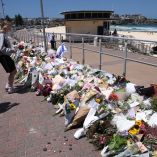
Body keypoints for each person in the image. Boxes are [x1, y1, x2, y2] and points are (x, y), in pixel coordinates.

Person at [0, 20, 17, 94]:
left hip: (5, 56)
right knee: (13, 71)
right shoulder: (1, 35)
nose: (10, 27)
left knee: (12, 71)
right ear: (5, 26)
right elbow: (1, 48)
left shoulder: (3, 34)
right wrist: (11, 50)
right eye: (9, 26)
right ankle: (10, 87)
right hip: (4, 56)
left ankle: (8, 85)